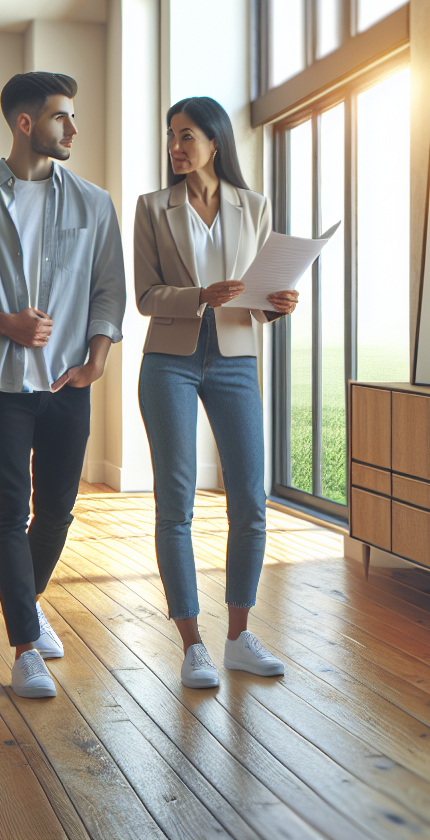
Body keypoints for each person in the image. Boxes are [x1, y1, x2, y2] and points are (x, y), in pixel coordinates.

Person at [0, 71, 126, 700]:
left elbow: (108, 291)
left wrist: (96, 361)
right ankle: (23, 646)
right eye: (61, 117)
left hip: (70, 384)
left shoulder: (95, 204)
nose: (73, 128)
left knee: (58, 512)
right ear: (24, 123)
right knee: (9, 511)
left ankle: (26, 606)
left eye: (72, 116)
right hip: (0, 385)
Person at [133, 97, 299, 689]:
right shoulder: (153, 208)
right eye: (171, 136)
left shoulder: (253, 206)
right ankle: (192, 643)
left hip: (235, 361)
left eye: (187, 137)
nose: (175, 148)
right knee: (175, 503)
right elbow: (146, 297)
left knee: (249, 501)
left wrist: (275, 306)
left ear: (215, 143)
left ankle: (237, 637)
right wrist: (200, 294)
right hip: (169, 362)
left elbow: (255, 297)